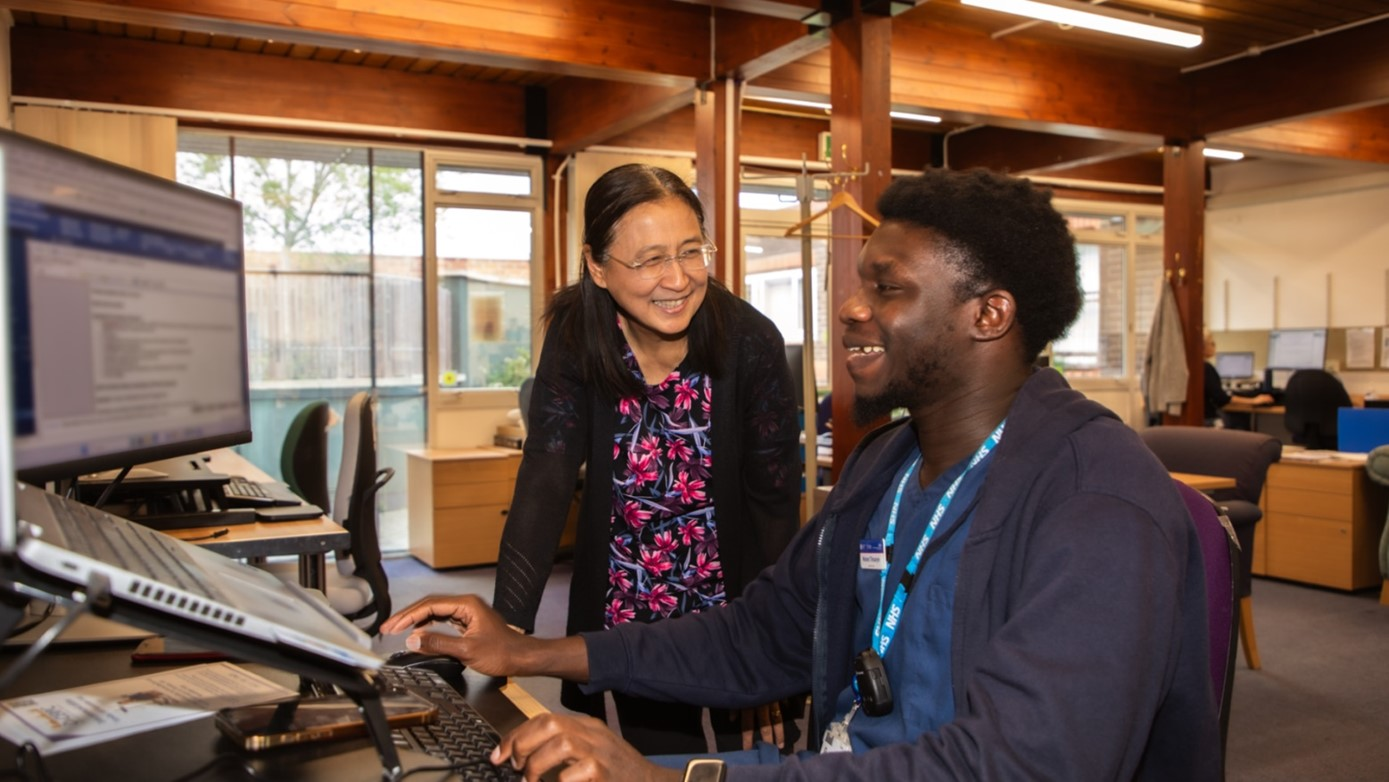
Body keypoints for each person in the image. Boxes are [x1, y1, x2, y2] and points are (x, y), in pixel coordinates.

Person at [383, 168, 1221, 781]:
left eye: (885, 291)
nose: (852, 308)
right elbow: (757, 636)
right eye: (859, 285)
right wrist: (528, 649)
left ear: (988, 314)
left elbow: (1019, 765)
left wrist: (677, 779)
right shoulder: (887, 466)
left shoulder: (1095, 503)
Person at [489, 163, 803, 755]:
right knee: (654, 764)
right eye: (649, 259)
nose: (677, 278)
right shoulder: (578, 335)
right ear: (597, 266)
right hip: (632, 621)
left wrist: (772, 652)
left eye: (691, 251)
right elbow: (546, 479)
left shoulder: (750, 342)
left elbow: (774, 509)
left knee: (747, 766)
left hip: (732, 620)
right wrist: (505, 633)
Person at [1202, 327, 1272, 427]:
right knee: (1240, 422)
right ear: (1202, 346)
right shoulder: (1206, 368)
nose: (1214, 346)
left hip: (1200, 420)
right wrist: (1254, 400)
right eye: (1211, 343)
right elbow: (1221, 399)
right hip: (1209, 421)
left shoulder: (1194, 366)